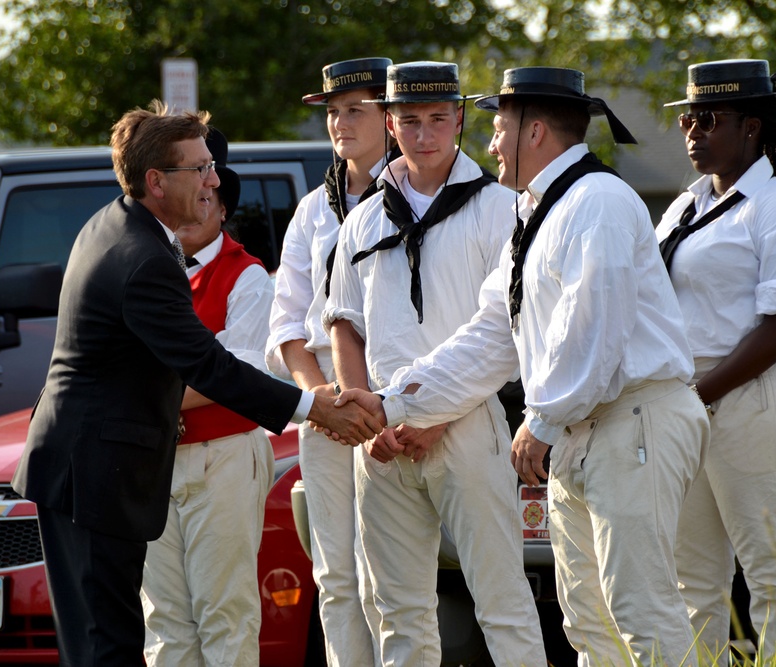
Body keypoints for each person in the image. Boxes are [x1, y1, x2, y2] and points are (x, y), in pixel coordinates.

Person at [344, 66, 710, 666]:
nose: (489, 144)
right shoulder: (537, 214)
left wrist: (541, 419)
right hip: (582, 429)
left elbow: (595, 333)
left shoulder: (600, 201)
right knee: (588, 617)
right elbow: (491, 336)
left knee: (641, 610)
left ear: (534, 131)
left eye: (497, 126)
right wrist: (392, 403)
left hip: (632, 418)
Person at [10, 101, 382, 667]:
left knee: (113, 638)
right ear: (156, 181)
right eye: (200, 168)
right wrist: (316, 407)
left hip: (93, 466)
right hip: (93, 473)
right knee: (104, 645)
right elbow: (209, 366)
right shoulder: (144, 257)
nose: (214, 179)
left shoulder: (115, 223)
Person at [322, 61, 547, 667]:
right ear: (390, 123)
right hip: (380, 440)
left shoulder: (500, 208)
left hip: (466, 425)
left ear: (460, 120)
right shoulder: (364, 216)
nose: (425, 135)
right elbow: (345, 323)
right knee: (397, 612)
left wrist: (434, 415)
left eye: (439, 120)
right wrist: (361, 412)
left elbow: (507, 331)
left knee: (500, 598)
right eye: (411, 121)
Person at [657, 59, 776, 661]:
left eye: (708, 119)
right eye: (686, 118)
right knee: (691, 575)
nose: (691, 131)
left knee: (770, 565)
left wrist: (699, 393)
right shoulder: (686, 206)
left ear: (753, 128)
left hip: (753, 396)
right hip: (690, 398)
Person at [266, 56, 394, 666]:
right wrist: (317, 399)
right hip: (323, 411)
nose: (340, 123)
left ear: (389, 117)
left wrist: (369, 403)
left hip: (395, 407)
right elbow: (287, 321)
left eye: (356, 110)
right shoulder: (313, 210)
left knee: (390, 578)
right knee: (335, 577)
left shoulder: (423, 197)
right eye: (334, 112)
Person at [140, 127, 276, 666]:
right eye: (192, 193)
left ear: (224, 206)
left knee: (225, 614)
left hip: (223, 459)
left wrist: (140, 397)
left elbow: (232, 369)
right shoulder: (148, 270)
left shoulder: (248, 277)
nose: (198, 207)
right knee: (165, 622)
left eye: (208, 196)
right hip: (156, 460)